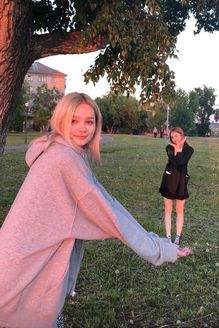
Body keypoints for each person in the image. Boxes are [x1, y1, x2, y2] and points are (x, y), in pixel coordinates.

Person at [0, 93, 192, 328]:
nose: (82, 128)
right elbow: (112, 216)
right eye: (73, 120)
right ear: (61, 119)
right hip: (21, 278)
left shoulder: (53, 150)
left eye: (89, 121)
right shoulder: (65, 160)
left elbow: (107, 202)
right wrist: (163, 249)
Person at [159, 127, 194, 246]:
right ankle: (168, 237)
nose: (174, 139)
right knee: (168, 210)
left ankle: (177, 237)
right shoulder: (168, 147)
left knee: (179, 211)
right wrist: (175, 148)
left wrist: (178, 148)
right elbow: (174, 163)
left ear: (182, 136)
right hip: (169, 180)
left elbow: (181, 162)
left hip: (181, 182)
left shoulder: (189, 149)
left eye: (176, 136)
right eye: (172, 137)